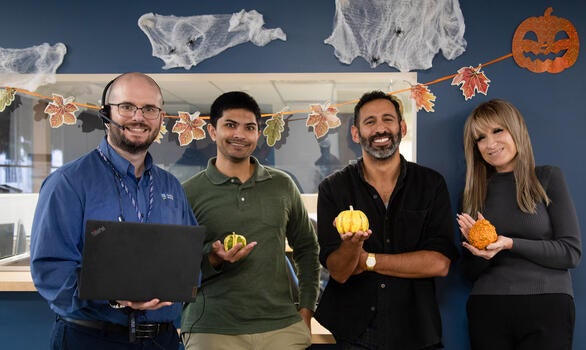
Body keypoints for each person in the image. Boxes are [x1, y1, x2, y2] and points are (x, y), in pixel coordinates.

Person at [30, 72, 199, 350]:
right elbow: (51, 272)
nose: (138, 117)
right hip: (93, 339)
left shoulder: (171, 186)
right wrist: (116, 296)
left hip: (163, 340)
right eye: (127, 107)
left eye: (149, 109)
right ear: (105, 113)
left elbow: (187, 259)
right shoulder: (69, 183)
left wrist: (202, 266)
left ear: (160, 117)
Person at [315, 90, 457, 349]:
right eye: (370, 122)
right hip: (354, 332)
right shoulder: (333, 189)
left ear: (401, 127)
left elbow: (439, 264)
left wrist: (368, 260)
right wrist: (352, 246)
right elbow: (339, 271)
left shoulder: (430, 184)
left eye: (388, 119)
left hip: (417, 330)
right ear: (356, 133)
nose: (380, 128)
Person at [180, 91, 320, 350]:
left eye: (250, 127)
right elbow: (175, 267)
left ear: (258, 133)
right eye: (230, 125)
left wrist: (306, 309)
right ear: (213, 131)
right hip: (212, 328)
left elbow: (308, 249)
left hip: (281, 327)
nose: (240, 135)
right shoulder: (188, 192)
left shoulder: (282, 185)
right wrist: (213, 259)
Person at [457, 99, 581, 350]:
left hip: (547, 304)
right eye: (480, 138)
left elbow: (570, 252)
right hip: (488, 307)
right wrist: (484, 252)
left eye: (497, 131)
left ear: (516, 130)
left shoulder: (547, 178)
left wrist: (509, 244)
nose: (490, 144)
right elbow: (468, 272)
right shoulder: (472, 194)